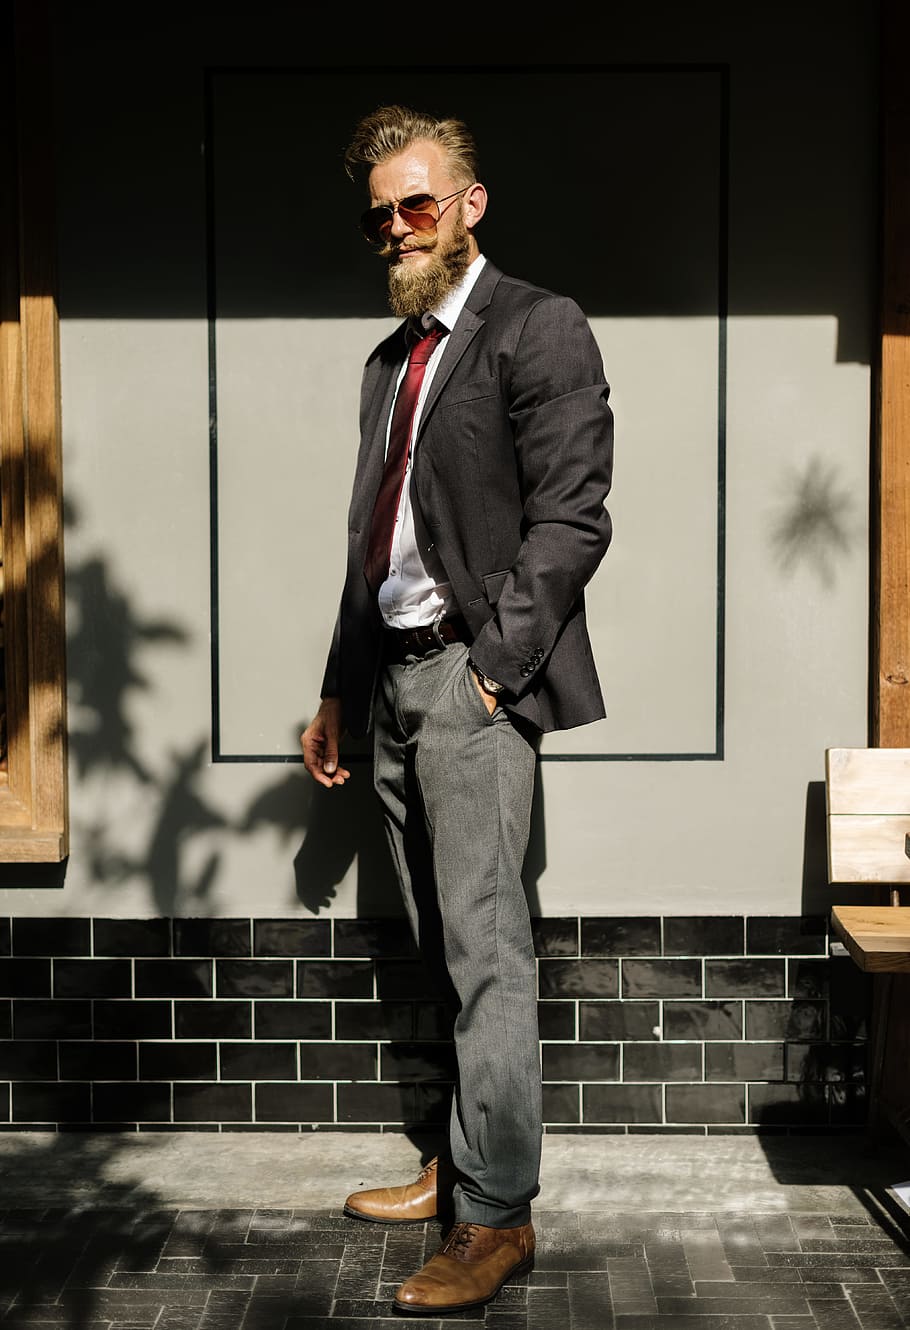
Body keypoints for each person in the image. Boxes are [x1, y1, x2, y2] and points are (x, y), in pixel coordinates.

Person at [300, 103, 614, 1316]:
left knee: (487, 953)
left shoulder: (537, 328)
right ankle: (457, 1168)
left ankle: (497, 1219)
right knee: (439, 940)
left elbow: (572, 515)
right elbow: (370, 541)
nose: (395, 226)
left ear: (468, 207)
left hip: (469, 681)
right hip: (385, 680)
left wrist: (495, 670)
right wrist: (338, 687)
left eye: (416, 203)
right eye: (380, 211)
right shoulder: (390, 362)